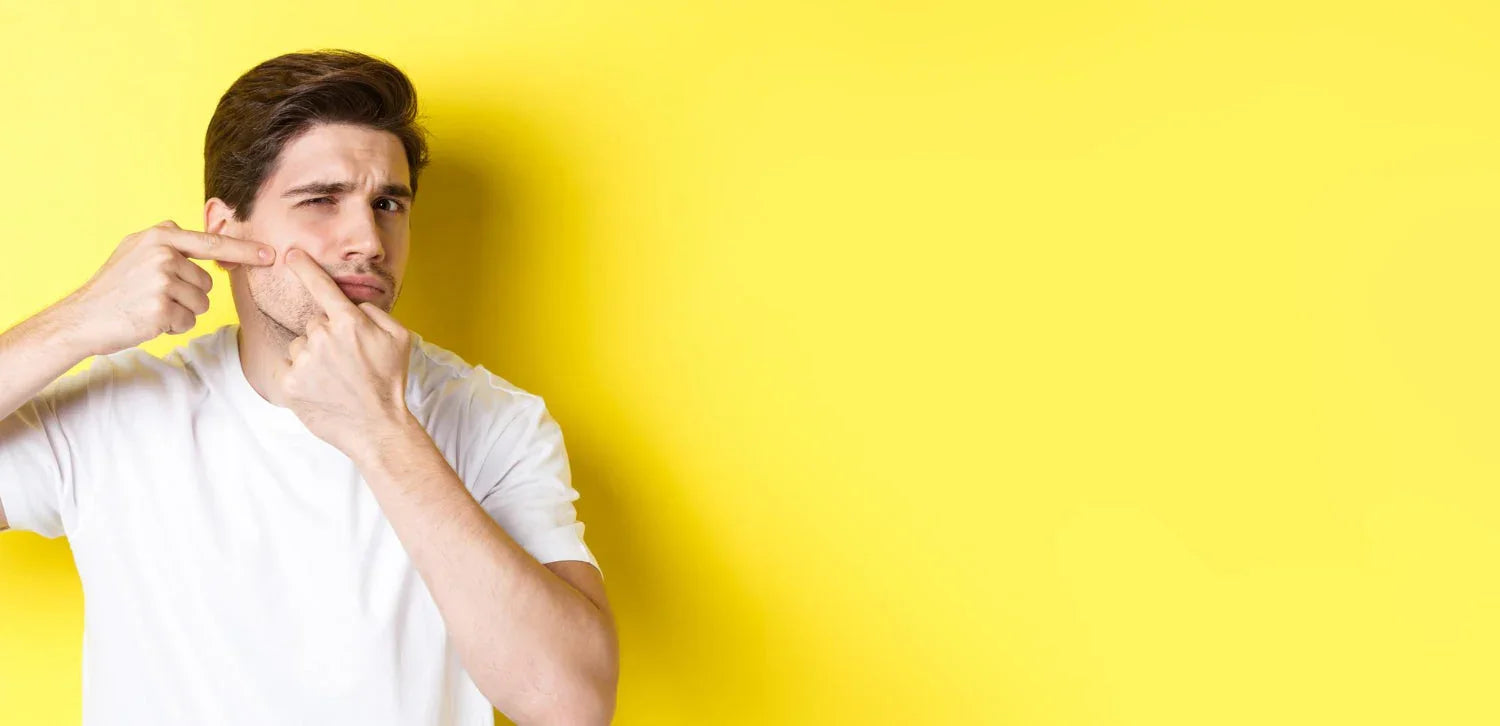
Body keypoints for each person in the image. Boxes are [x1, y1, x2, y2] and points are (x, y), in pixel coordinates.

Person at [0, 49, 618, 725]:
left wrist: (384, 433)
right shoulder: (117, 412)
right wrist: (74, 323)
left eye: (388, 204)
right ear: (224, 228)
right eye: (322, 200)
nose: (369, 241)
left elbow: (572, 705)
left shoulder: (494, 420)